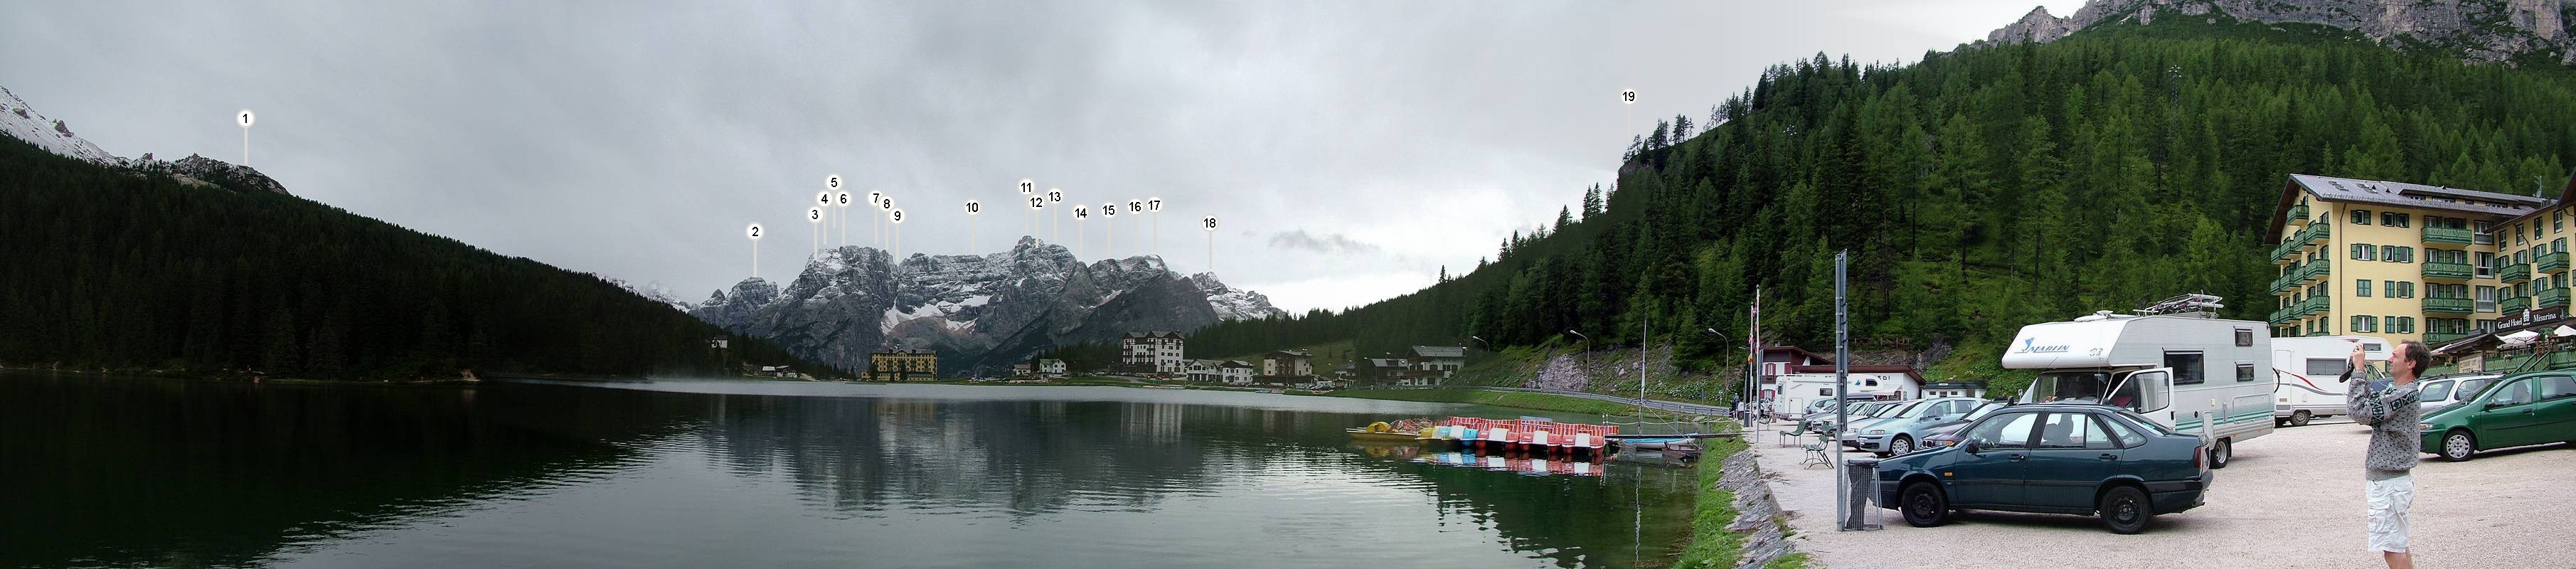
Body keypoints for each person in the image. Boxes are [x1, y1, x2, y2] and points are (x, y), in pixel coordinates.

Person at [2346, 339, 2425, 569]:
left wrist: (2359, 371)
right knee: (2399, 546)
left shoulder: (2404, 395)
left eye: (2395, 356)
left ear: (2411, 363)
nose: (2390, 359)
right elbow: (2372, 401)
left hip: (2389, 487)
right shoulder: (2399, 392)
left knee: (2392, 551)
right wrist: (2361, 371)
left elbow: (2359, 411)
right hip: (2393, 483)